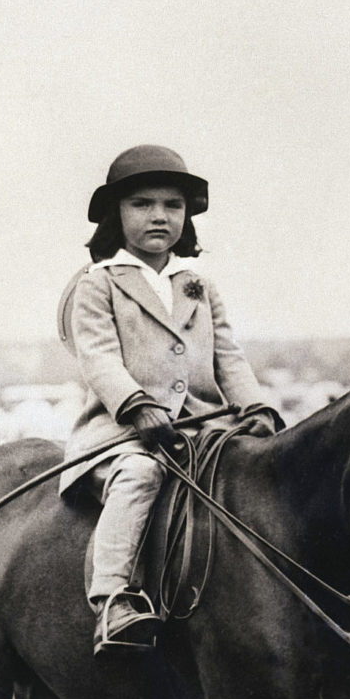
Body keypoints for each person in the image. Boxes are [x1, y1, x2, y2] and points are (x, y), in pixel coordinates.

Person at [58, 144, 279, 655]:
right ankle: (113, 599)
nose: (159, 215)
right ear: (116, 214)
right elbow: (99, 358)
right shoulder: (98, 284)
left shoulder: (198, 285)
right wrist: (137, 405)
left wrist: (256, 408)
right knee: (141, 474)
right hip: (121, 436)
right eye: (142, 204)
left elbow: (228, 356)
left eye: (172, 205)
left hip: (202, 433)